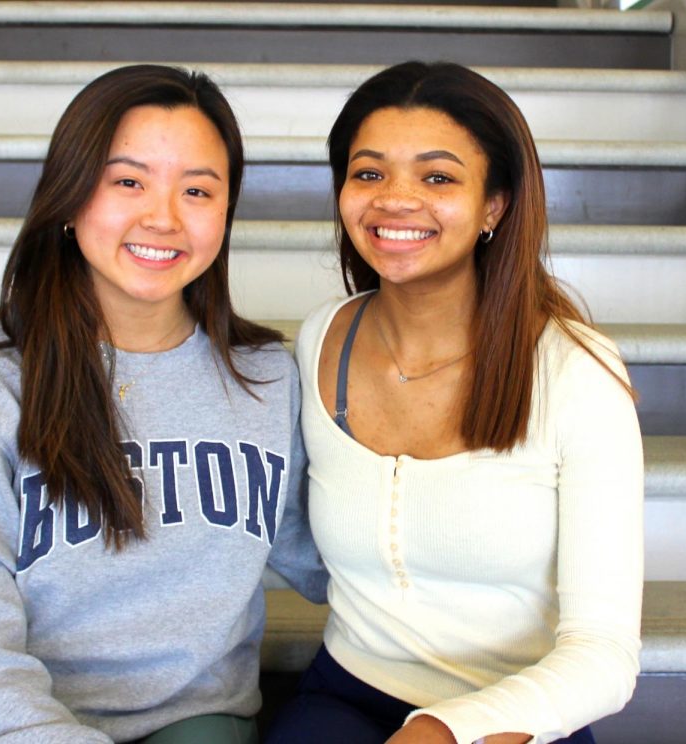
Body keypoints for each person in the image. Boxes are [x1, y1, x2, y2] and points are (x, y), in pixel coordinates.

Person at [0, 64, 326, 744]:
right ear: (71, 198)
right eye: (128, 181)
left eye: (197, 190)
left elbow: (331, 558)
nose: (162, 217)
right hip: (4, 721)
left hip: (194, 715)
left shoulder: (267, 380)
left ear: (226, 212)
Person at [266, 61, 643, 744]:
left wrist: (442, 731)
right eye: (369, 173)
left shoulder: (577, 372)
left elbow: (605, 656)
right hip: (346, 694)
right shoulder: (323, 338)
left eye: (437, 177)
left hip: (516, 715)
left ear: (495, 204)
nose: (395, 200)